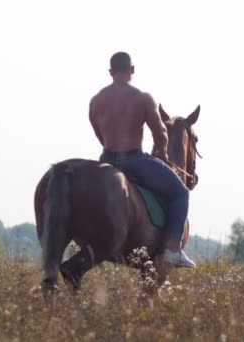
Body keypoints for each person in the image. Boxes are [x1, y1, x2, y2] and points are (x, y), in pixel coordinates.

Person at [88, 52, 195, 268]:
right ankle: (172, 249)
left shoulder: (96, 100)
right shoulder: (142, 98)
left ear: (110, 72)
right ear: (132, 70)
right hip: (134, 160)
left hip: (106, 159)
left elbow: (98, 132)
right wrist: (162, 152)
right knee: (180, 193)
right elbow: (160, 133)